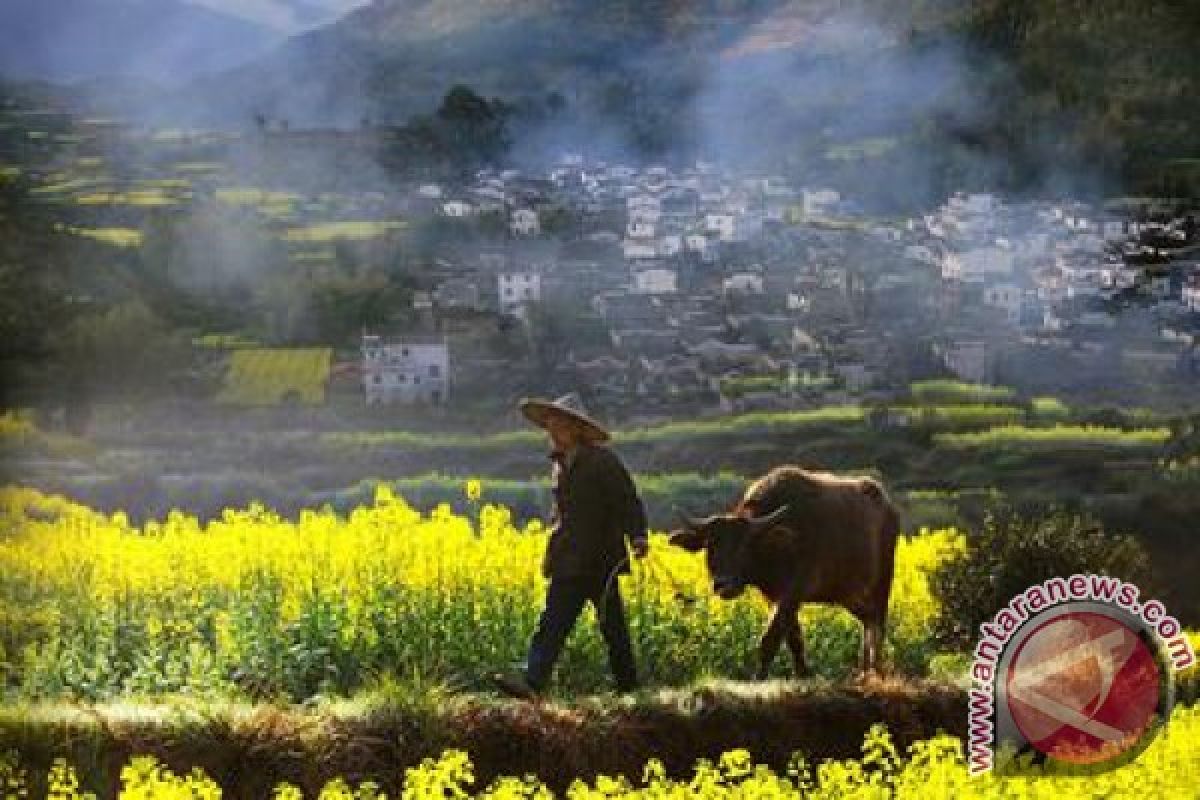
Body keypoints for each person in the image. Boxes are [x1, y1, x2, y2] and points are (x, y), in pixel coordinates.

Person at [492, 393, 649, 699]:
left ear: (575, 428)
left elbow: (626, 500)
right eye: (549, 423)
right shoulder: (561, 466)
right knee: (552, 622)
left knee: (612, 629)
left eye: (558, 424)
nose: (551, 430)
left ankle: (629, 688)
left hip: (601, 559)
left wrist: (638, 536)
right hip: (570, 560)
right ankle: (533, 681)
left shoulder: (602, 462)